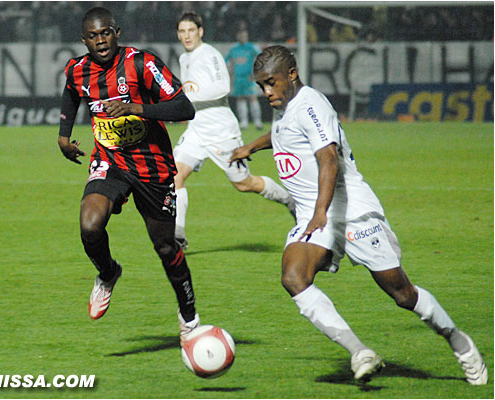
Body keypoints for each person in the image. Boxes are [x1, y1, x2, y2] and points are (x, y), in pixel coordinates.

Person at [229, 45, 488, 384]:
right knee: (293, 278)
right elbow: (284, 134)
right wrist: (252, 146)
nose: (266, 92)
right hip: (314, 215)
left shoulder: (312, 104)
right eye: (261, 85)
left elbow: (329, 159)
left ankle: (459, 341)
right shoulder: (285, 104)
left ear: (291, 74)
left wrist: (321, 212)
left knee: (402, 294)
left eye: (270, 83)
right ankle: (359, 351)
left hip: (350, 211)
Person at [57, 7, 200, 339]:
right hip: (111, 162)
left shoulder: (141, 63)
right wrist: (64, 136)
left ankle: (189, 317)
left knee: (165, 247)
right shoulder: (78, 69)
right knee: (90, 225)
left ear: (116, 32)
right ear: (84, 40)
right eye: (93, 36)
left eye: (106, 33)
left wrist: (138, 108)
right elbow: (70, 94)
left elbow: (184, 108)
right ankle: (108, 273)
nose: (101, 41)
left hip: (152, 166)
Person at [174, 12, 295, 249]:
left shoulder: (210, 55)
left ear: (200, 32)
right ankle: (177, 234)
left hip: (220, 129)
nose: (186, 36)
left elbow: (222, 87)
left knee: (244, 183)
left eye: (191, 31)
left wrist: (185, 97)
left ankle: (289, 200)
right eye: (182, 31)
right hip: (196, 129)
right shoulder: (183, 58)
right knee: (174, 175)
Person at [225, 27, 263, 130]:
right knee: (240, 98)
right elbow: (226, 60)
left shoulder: (251, 47)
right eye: (241, 35)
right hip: (238, 78)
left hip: (249, 77)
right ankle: (244, 122)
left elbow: (261, 58)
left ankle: (257, 121)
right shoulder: (234, 49)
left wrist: (255, 72)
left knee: (252, 97)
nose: (243, 37)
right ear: (238, 37)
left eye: (244, 36)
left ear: (247, 37)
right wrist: (230, 70)